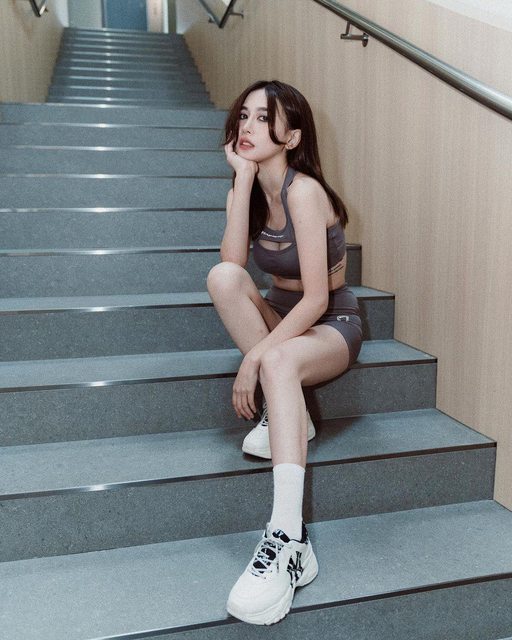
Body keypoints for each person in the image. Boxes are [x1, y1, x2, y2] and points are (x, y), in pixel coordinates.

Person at [207, 79, 362, 625]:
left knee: (273, 359)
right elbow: (233, 264)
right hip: (281, 313)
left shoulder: (305, 192)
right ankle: (289, 409)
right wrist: (242, 178)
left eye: (263, 117)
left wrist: (254, 358)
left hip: (330, 321)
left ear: (292, 136)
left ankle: (289, 539)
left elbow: (317, 298)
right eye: (243, 115)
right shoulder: (247, 188)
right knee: (222, 278)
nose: (247, 126)